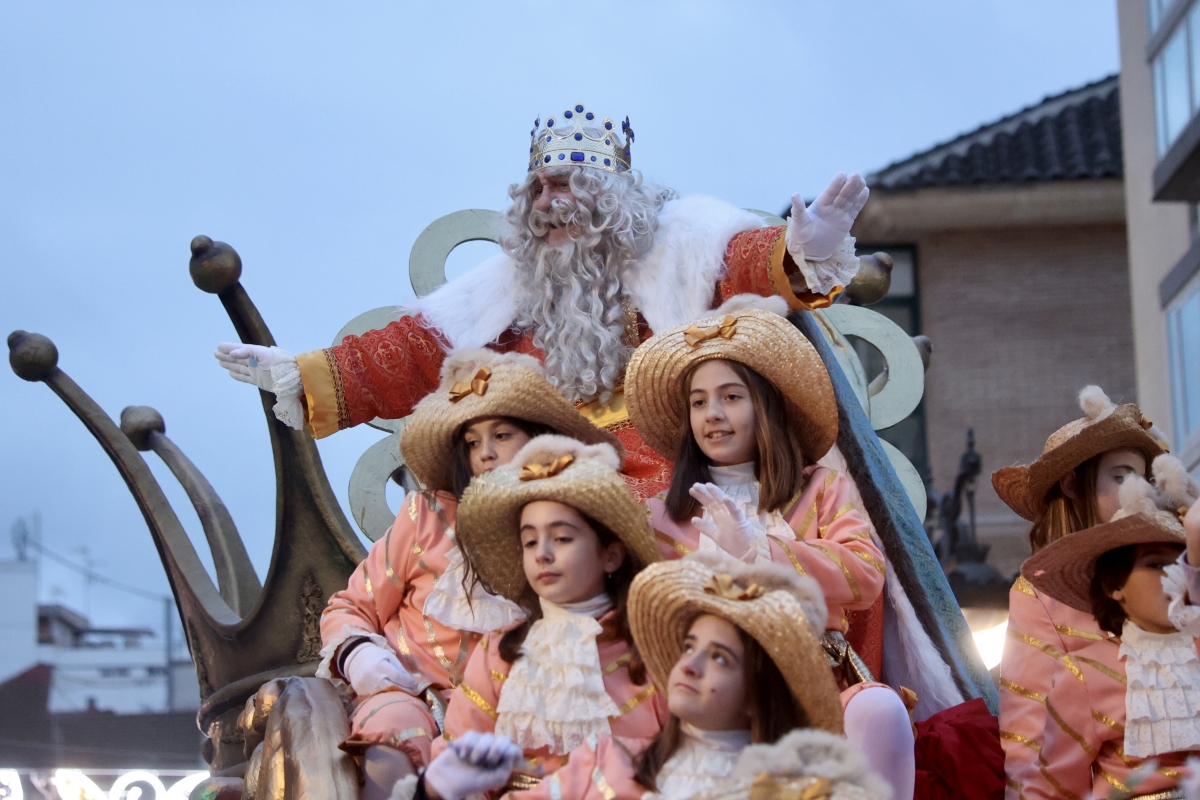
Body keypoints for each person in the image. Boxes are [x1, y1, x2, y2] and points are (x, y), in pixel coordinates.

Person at [212, 102, 871, 500]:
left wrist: (803, 249)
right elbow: (415, 351)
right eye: (539, 193)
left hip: (685, 491)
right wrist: (305, 374)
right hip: (551, 503)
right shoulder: (506, 292)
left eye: (569, 189)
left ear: (613, 208)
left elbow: (746, 265)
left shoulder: (685, 249)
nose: (551, 204)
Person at [623, 297, 914, 799]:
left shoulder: (820, 488)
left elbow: (866, 574)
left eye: (731, 396)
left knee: (879, 711)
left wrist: (762, 553)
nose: (712, 414)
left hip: (815, 689)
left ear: (766, 406)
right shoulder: (660, 520)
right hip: (716, 701)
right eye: (698, 401)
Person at [316, 349, 621, 800]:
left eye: (501, 434)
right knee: (393, 730)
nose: (487, 453)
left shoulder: (562, 528)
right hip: (414, 697)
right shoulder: (426, 514)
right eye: (473, 442)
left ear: (537, 437)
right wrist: (360, 655)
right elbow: (350, 605)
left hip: (510, 704)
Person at [404, 551, 890, 800]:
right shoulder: (606, 764)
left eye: (720, 658)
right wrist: (435, 792)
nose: (690, 665)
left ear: (755, 696)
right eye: (690, 647)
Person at [432, 434, 668, 791]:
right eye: (530, 541)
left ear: (611, 555)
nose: (542, 553)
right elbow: (456, 768)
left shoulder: (655, 653)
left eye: (561, 538)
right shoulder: (501, 653)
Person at [991, 386, 1166, 799]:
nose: (1137, 492)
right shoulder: (1038, 595)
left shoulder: (1172, 568)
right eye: (1121, 477)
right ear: (1073, 484)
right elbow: (1028, 736)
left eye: (1143, 478)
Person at [1018, 454, 1200, 799]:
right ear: (1114, 586)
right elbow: (1056, 786)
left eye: (1181, 563)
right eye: (1155, 564)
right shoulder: (1084, 674)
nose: (1173, 575)